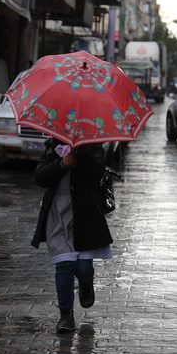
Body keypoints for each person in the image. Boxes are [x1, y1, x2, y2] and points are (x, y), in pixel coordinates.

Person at [32, 138, 113, 333]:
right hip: (58, 215)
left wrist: (80, 155)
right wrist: (62, 164)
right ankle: (65, 316)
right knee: (64, 264)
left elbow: (99, 172)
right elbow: (40, 177)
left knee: (83, 267)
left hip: (85, 214)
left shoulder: (94, 145)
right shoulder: (52, 146)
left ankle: (86, 281)